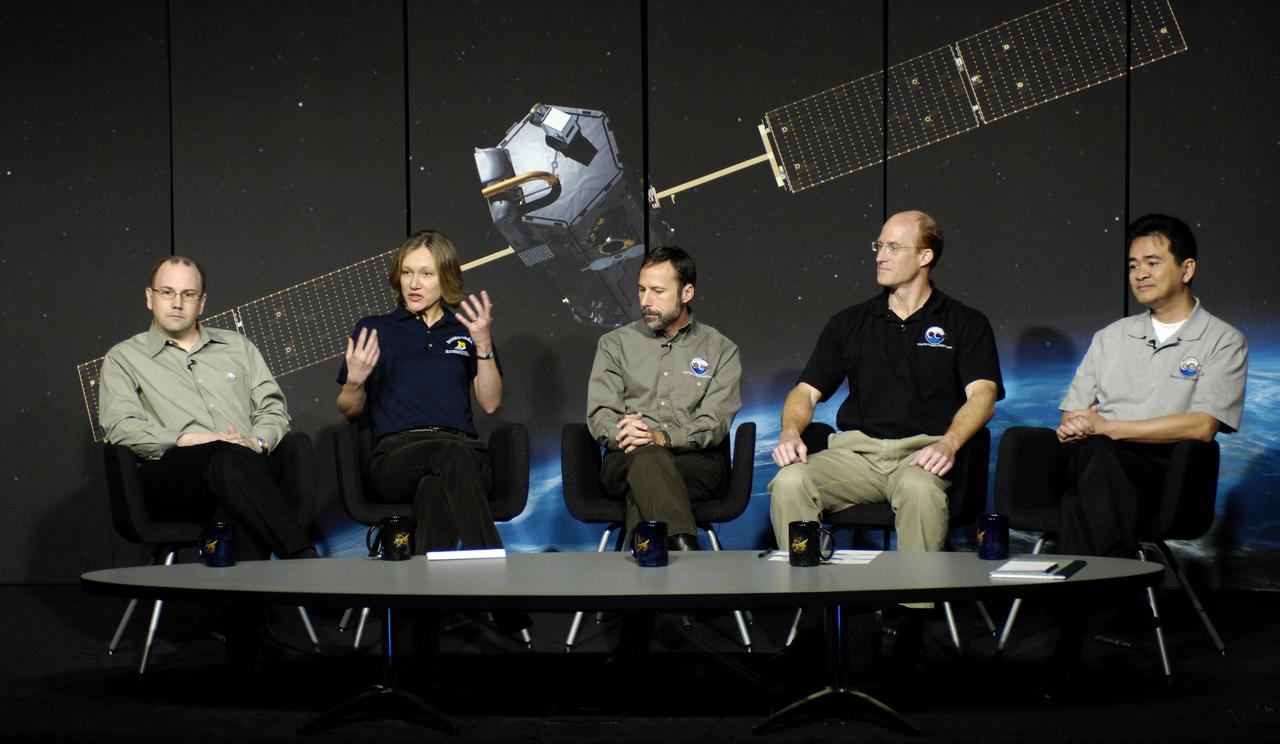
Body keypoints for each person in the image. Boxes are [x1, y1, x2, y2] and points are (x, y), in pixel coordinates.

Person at [767, 210, 1003, 656]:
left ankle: (910, 621)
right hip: (855, 455)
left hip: (921, 453)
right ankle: (817, 610)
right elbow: (805, 390)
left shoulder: (964, 323)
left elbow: (983, 395)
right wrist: (789, 431)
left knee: (919, 490)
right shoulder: (850, 322)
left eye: (894, 247)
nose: (880, 255)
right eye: (879, 245)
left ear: (926, 256)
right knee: (789, 480)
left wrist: (949, 443)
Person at [1046, 214, 1247, 686]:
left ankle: (1067, 643)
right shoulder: (1110, 337)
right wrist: (1076, 426)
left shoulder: (1222, 340)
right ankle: (1123, 580)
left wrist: (1110, 428)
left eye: (1153, 262)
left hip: (1166, 474)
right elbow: (1073, 414)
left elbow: (1201, 425)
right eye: (1134, 264)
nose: (1140, 273)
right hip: (1095, 459)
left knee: (1084, 496)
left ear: (1187, 268)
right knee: (1095, 458)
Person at [99, 255, 318, 677]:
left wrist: (257, 440)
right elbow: (121, 427)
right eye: (167, 292)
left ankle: (243, 654)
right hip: (172, 478)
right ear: (150, 298)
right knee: (220, 457)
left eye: (187, 294)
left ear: (202, 302)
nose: (176, 303)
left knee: (234, 497)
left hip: (242, 474)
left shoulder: (238, 347)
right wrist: (187, 439)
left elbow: (273, 411)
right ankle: (303, 559)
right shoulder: (124, 358)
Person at [336, 229, 505, 554]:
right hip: (397, 458)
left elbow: (490, 402)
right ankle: (492, 573)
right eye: (407, 272)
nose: (414, 284)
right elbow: (347, 413)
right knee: (447, 459)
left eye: (426, 274)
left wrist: (483, 344)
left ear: (445, 279)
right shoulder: (375, 329)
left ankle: (428, 602)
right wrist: (355, 382)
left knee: (434, 488)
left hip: (463, 454)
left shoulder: (465, 330)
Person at [585, 246, 743, 553]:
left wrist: (663, 437)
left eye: (657, 291)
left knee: (646, 483)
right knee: (647, 460)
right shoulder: (615, 344)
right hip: (625, 456)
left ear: (686, 293)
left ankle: (640, 590)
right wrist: (622, 432)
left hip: (697, 464)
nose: (645, 301)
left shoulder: (721, 350)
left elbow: (714, 422)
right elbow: (601, 412)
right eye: (642, 290)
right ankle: (687, 555)